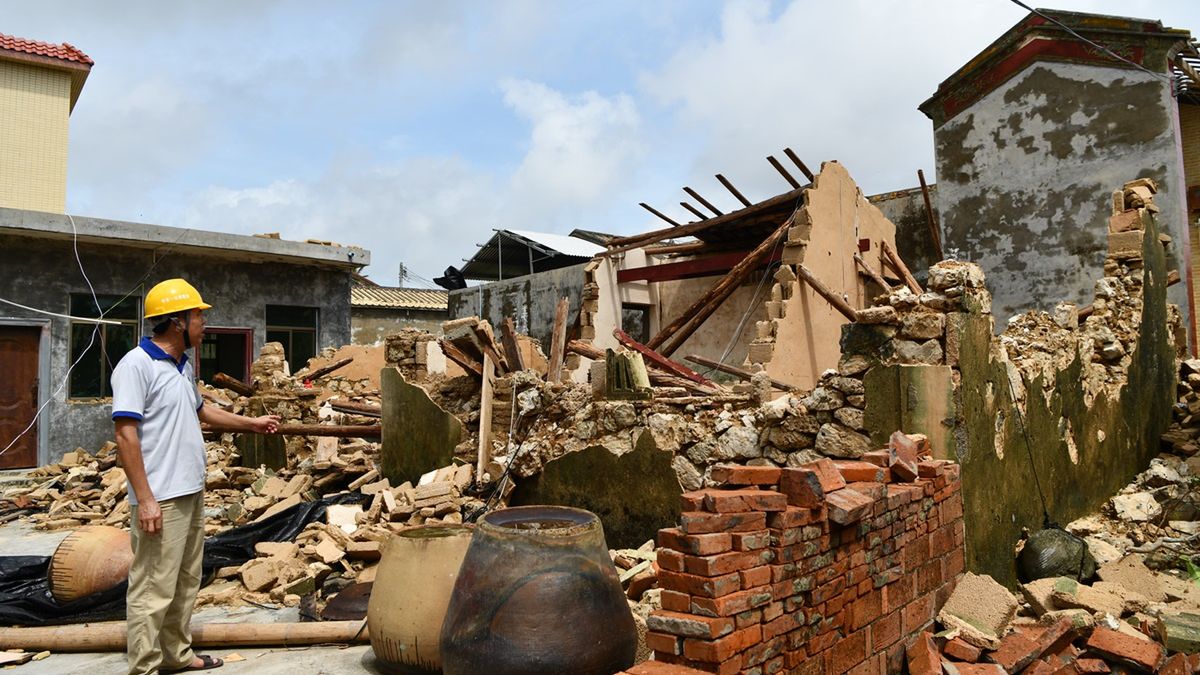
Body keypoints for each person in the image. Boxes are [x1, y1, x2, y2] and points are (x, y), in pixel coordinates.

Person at [111, 279, 280, 675]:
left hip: (189, 490)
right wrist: (146, 499)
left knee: (186, 580)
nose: (204, 323)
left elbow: (203, 411)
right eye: (198, 316)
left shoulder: (182, 366)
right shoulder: (136, 365)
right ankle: (145, 666)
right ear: (176, 322)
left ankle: (176, 655)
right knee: (152, 586)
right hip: (161, 497)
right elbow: (125, 434)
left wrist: (251, 423)